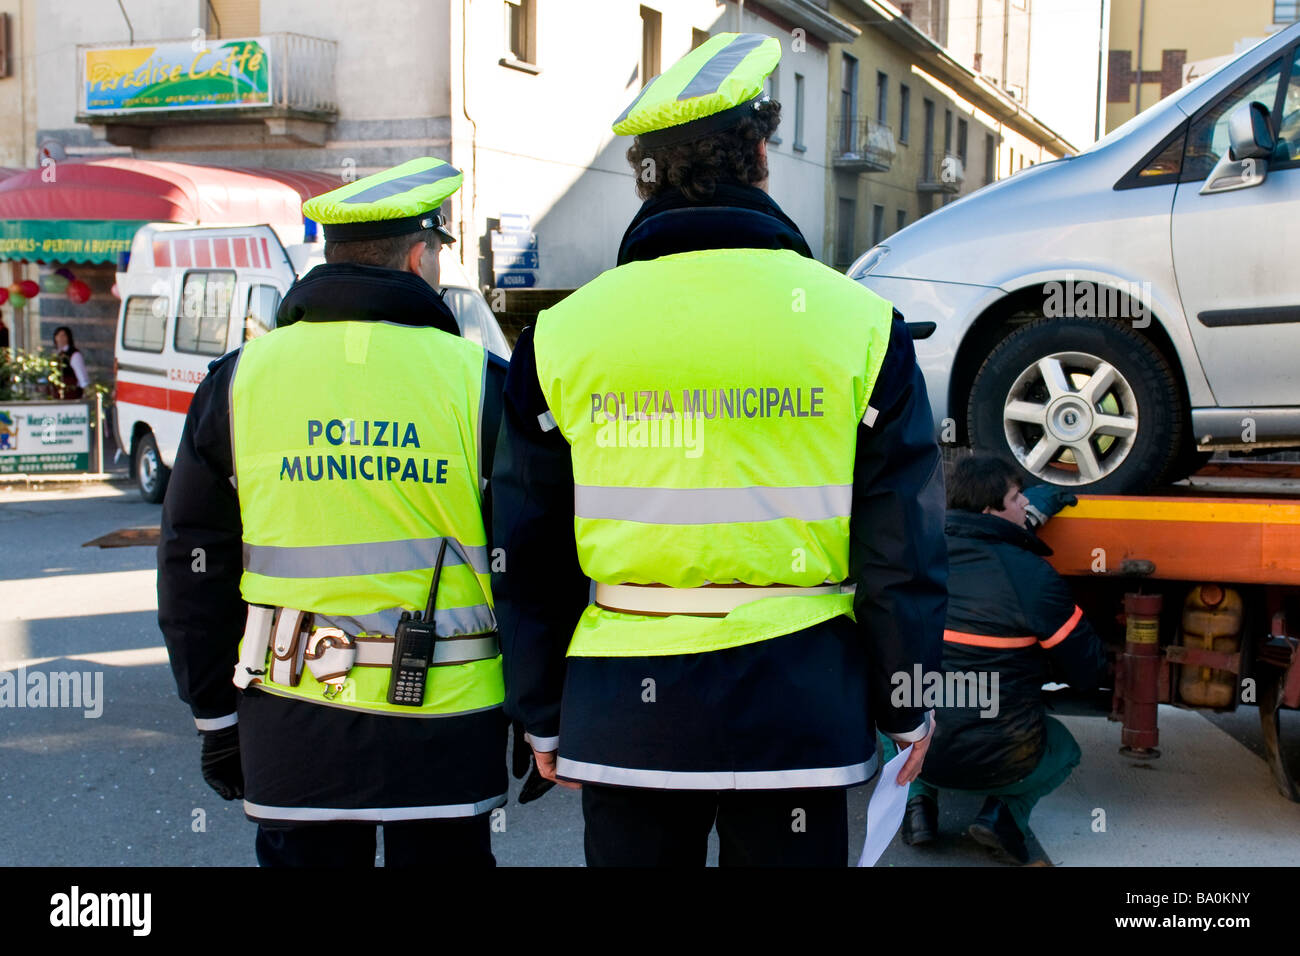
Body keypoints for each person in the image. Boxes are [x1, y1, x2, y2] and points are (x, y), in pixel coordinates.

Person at [491, 33, 947, 867]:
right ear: (762, 155)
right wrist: (905, 704)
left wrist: (542, 711)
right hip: (800, 703)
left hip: (627, 708)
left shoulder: (559, 337)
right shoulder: (858, 326)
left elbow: (527, 550)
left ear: (644, 172)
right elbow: (902, 548)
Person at [158, 157, 511, 867]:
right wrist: (542, 714)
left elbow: (193, 562)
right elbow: (527, 557)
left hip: (293, 716)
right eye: (438, 253)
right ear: (419, 256)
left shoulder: (239, 380)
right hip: (446, 719)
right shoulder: (480, 382)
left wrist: (215, 715)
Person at [885, 454, 1108, 865]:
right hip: (1002, 761)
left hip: (919, 748)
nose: (1025, 505)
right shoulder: (1034, 577)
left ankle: (917, 806)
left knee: (901, 709)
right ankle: (1003, 815)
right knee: (1065, 749)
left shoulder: (910, 559)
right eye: (1017, 497)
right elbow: (1087, 672)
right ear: (990, 510)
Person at [52, 326, 89, 399]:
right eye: (58, 336)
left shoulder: (74, 354)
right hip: (58, 393)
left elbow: (81, 373)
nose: (60, 338)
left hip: (71, 393)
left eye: (63, 335)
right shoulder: (56, 354)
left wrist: (86, 389)